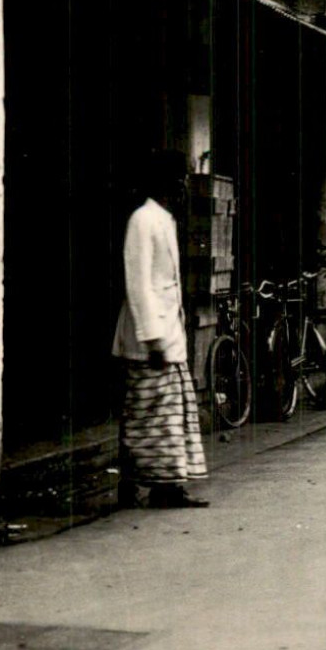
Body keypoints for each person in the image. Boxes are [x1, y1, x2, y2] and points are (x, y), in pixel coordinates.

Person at [112, 149, 209, 508]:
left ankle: (166, 486)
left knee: (168, 416)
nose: (185, 184)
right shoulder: (143, 220)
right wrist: (152, 338)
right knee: (147, 417)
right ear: (165, 181)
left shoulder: (164, 219)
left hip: (167, 336)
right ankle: (139, 484)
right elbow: (139, 284)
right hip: (149, 339)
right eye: (181, 177)